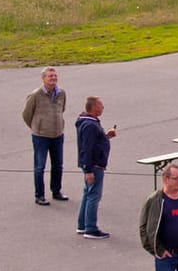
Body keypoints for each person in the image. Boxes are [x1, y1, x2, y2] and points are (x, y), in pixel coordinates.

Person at [21, 67, 68, 207]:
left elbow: (62, 109)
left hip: (58, 134)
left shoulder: (62, 93)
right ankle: (39, 195)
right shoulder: (35, 95)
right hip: (41, 136)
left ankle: (56, 191)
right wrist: (37, 127)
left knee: (58, 165)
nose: (53, 78)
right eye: (50, 76)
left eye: (55, 76)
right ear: (43, 79)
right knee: (40, 166)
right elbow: (26, 114)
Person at [75, 95, 115, 239]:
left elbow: (94, 143)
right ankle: (90, 228)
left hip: (93, 165)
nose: (103, 107)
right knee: (93, 196)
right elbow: (87, 148)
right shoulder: (90, 126)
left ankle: (82, 225)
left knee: (88, 194)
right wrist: (88, 170)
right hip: (94, 166)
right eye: (101, 105)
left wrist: (106, 137)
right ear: (94, 107)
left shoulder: (88, 123)